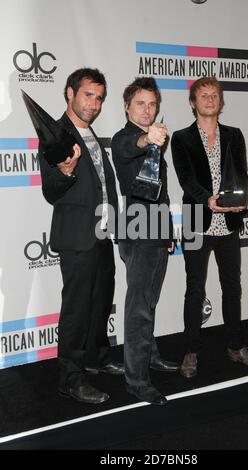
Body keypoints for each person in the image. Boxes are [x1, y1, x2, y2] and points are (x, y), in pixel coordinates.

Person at [171, 76, 248, 378]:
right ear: (192, 102)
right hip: (197, 223)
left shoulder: (235, 135)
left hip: (229, 223)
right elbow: (185, 178)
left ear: (220, 101)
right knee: (194, 290)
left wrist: (242, 198)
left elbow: (242, 173)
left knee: (232, 287)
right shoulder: (181, 138)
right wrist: (207, 200)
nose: (210, 100)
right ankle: (191, 350)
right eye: (203, 95)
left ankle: (236, 346)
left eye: (215, 95)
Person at [39, 68, 123, 404]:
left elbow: (103, 186)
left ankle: (96, 358)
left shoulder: (88, 133)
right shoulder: (55, 135)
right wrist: (65, 172)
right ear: (70, 93)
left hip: (102, 232)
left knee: (102, 299)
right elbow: (51, 190)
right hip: (76, 236)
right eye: (88, 95)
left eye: (100, 97)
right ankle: (70, 378)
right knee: (76, 308)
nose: (95, 103)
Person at [111, 77, 178, 405]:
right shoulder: (125, 138)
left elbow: (159, 194)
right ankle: (136, 380)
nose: (147, 109)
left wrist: (167, 233)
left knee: (147, 302)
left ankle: (148, 356)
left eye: (152, 104)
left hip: (154, 231)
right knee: (139, 309)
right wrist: (146, 138)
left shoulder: (155, 140)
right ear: (126, 106)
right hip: (139, 233)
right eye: (140, 103)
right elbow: (127, 147)